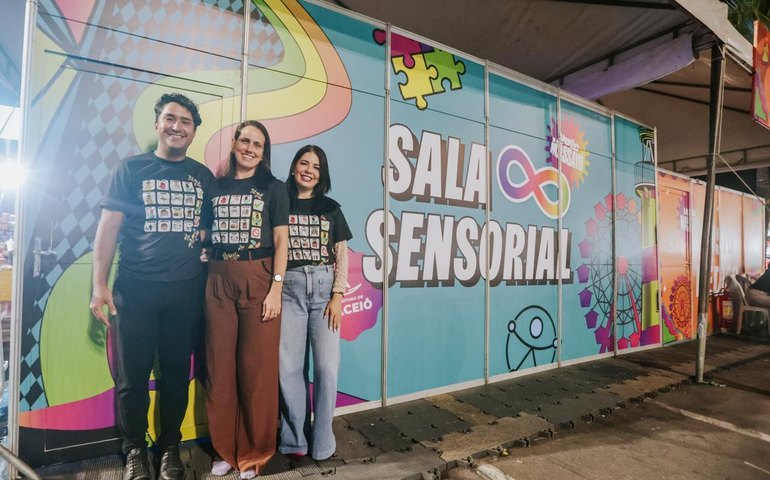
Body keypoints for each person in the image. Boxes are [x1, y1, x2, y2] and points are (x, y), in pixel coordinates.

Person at [90, 93, 213, 480]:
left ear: (194, 131)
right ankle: (134, 453)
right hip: (135, 291)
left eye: (185, 121)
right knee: (132, 379)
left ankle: (170, 449)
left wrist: (205, 246)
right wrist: (99, 286)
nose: (177, 126)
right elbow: (107, 231)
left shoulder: (203, 176)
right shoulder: (130, 170)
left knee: (177, 375)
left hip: (185, 293)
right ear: (158, 124)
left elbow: (209, 226)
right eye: (170, 119)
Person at [204, 120, 289, 479]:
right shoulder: (215, 186)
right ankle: (226, 449)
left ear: (264, 152)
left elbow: (282, 242)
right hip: (219, 280)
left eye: (258, 144)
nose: (251, 148)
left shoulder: (274, 187)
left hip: (259, 278)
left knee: (256, 372)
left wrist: (276, 288)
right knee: (219, 369)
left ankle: (255, 453)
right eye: (245, 141)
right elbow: (207, 232)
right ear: (234, 143)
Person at [278, 145, 352, 461]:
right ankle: (295, 439)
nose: (309, 169)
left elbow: (342, 256)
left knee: (326, 368)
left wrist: (337, 295)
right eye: (304, 163)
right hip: (289, 291)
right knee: (289, 368)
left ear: (321, 175)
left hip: (324, 292)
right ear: (294, 167)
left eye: (316, 167)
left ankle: (322, 441)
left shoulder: (330, 207)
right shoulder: (278, 203)